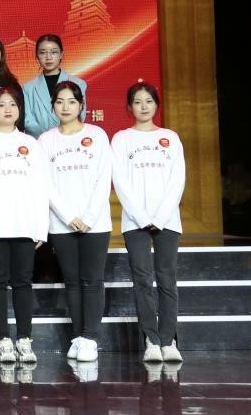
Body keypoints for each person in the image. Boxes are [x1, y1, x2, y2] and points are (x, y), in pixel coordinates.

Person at [0, 86, 50, 366]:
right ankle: (3, 339)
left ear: (19, 110)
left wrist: (41, 228)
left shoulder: (31, 144)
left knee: (23, 283)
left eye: (13, 105)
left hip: (25, 223)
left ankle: (25, 339)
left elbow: (41, 187)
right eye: (2, 105)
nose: (8, 109)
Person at [112, 81, 186, 364]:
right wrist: (143, 217)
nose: (143, 107)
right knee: (142, 279)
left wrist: (161, 216)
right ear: (129, 107)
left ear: (156, 105)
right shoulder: (121, 139)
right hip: (135, 221)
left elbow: (177, 179)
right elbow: (120, 181)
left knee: (167, 279)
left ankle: (169, 340)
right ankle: (151, 340)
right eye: (138, 102)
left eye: (149, 101)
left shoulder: (170, 137)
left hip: (168, 220)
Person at [39, 80, 112, 364]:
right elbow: (45, 184)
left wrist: (89, 217)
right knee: (71, 281)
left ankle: (90, 338)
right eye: (60, 102)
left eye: (71, 101)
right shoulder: (46, 140)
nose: (66, 107)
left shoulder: (97, 135)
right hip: (62, 224)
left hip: (96, 223)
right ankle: (79, 336)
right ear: (53, 107)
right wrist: (69, 217)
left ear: (81, 105)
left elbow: (103, 178)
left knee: (92, 280)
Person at [23, 34, 88, 137]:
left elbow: (80, 115)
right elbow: (28, 121)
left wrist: (61, 136)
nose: (48, 57)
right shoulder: (28, 88)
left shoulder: (79, 84)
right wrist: (48, 137)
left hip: (69, 139)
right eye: (43, 52)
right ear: (36, 57)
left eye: (53, 52)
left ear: (61, 54)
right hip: (39, 141)